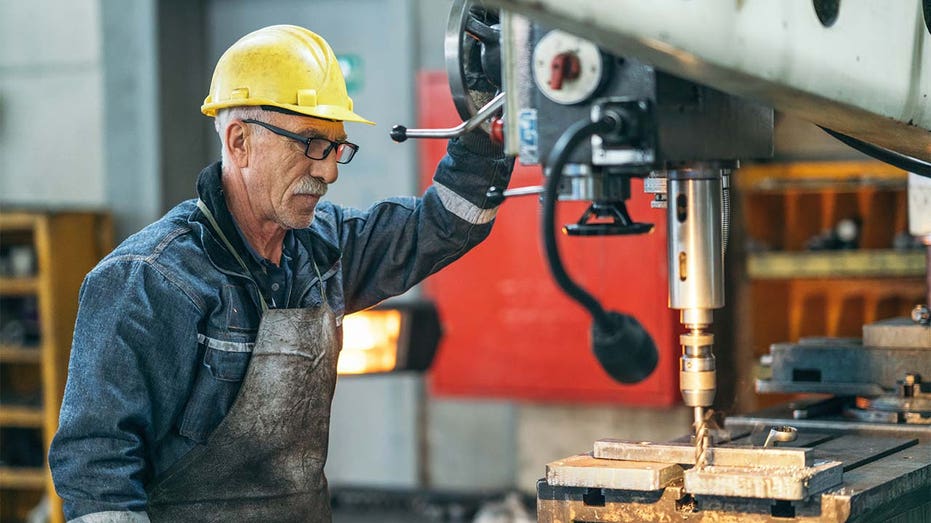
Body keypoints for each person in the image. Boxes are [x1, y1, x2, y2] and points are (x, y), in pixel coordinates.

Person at [49, 25, 512, 522]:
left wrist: (489, 109)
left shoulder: (324, 249)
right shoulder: (148, 281)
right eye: (311, 143)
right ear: (240, 141)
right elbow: (97, 472)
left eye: (337, 147)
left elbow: (442, 226)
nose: (330, 171)